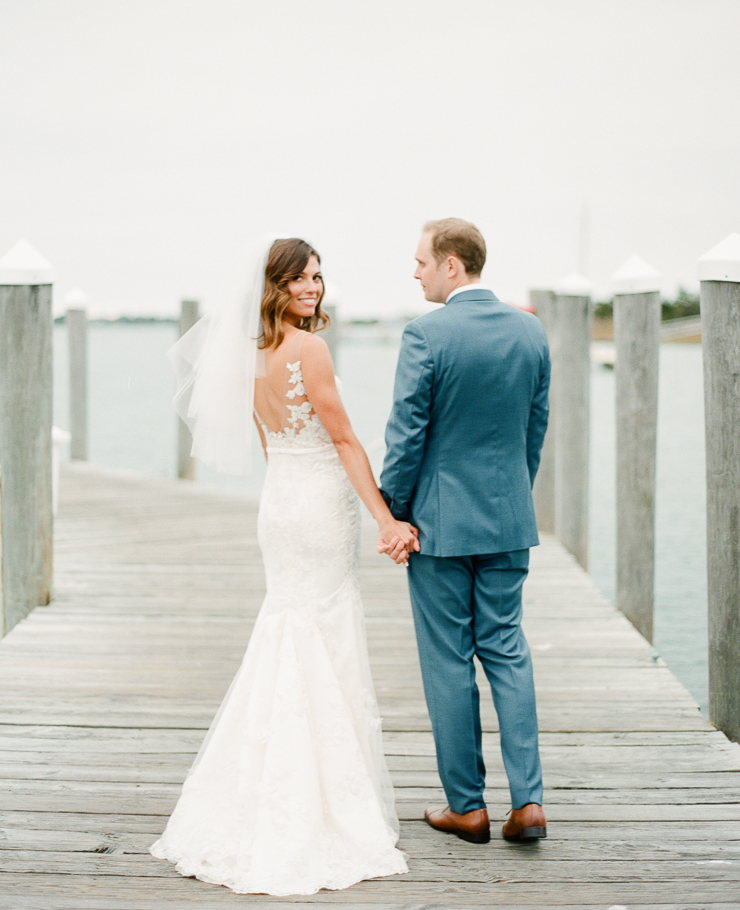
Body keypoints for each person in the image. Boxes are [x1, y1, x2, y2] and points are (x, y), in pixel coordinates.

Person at [151, 236, 411, 897]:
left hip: (281, 504)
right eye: (300, 279)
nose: (313, 288)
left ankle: (259, 796)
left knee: (286, 630)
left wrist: (297, 491)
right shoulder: (310, 349)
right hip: (319, 507)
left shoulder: (248, 355)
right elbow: (346, 438)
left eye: (318, 277)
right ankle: (319, 808)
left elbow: (272, 442)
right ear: (274, 286)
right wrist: (385, 519)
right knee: (320, 632)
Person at [379, 218, 550, 845]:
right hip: (507, 520)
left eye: (421, 260)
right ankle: (529, 802)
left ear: (452, 264)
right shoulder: (530, 331)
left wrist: (394, 510)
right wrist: (510, 498)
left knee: (449, 660)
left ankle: (467, 806)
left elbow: (406, 436)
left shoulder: (425, 334)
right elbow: (535, 428)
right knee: (506, 648)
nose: (415, 270)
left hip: (440, 527)